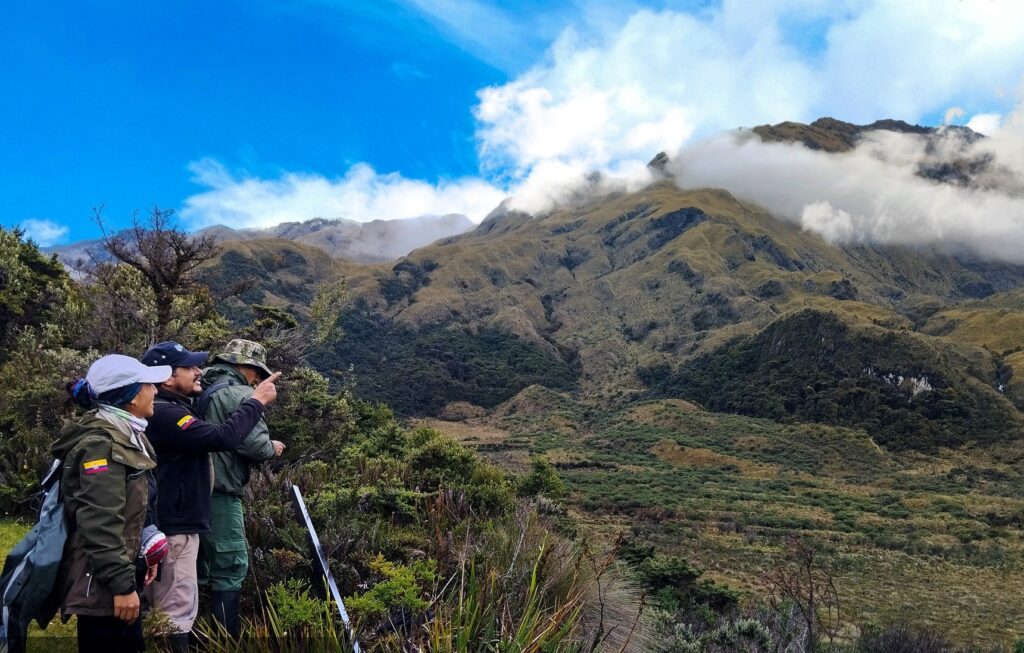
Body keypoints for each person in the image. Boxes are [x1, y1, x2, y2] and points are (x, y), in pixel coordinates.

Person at [139, 342, 281, 651]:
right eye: (190, 367)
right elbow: (227, 438)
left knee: (183, 586)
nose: (197, 371)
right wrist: (258, 404)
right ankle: (224, 641)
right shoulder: (170, 412)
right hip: (181, 517)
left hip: (176, 511)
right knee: (211, 578)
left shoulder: (190, 398)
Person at [53, 354, 172, 653]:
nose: (155, 390)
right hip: (103, 584)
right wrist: (122, 585)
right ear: (131, 397)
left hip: (119, 570)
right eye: (148, 385)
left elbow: (134, 509)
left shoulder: (129, 435)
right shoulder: (102, 445)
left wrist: (145, 552)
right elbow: (99, 523)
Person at [197, 339, 285, 637]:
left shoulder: (200, 388)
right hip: (220, 490)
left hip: (190, 490)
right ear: (242, 366)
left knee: (195, 564)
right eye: (256, 371)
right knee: (230, 562)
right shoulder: (240, 394)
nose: (257, 378)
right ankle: (225, 639)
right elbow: (254, 445)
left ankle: (187, 635)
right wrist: (272, 447)